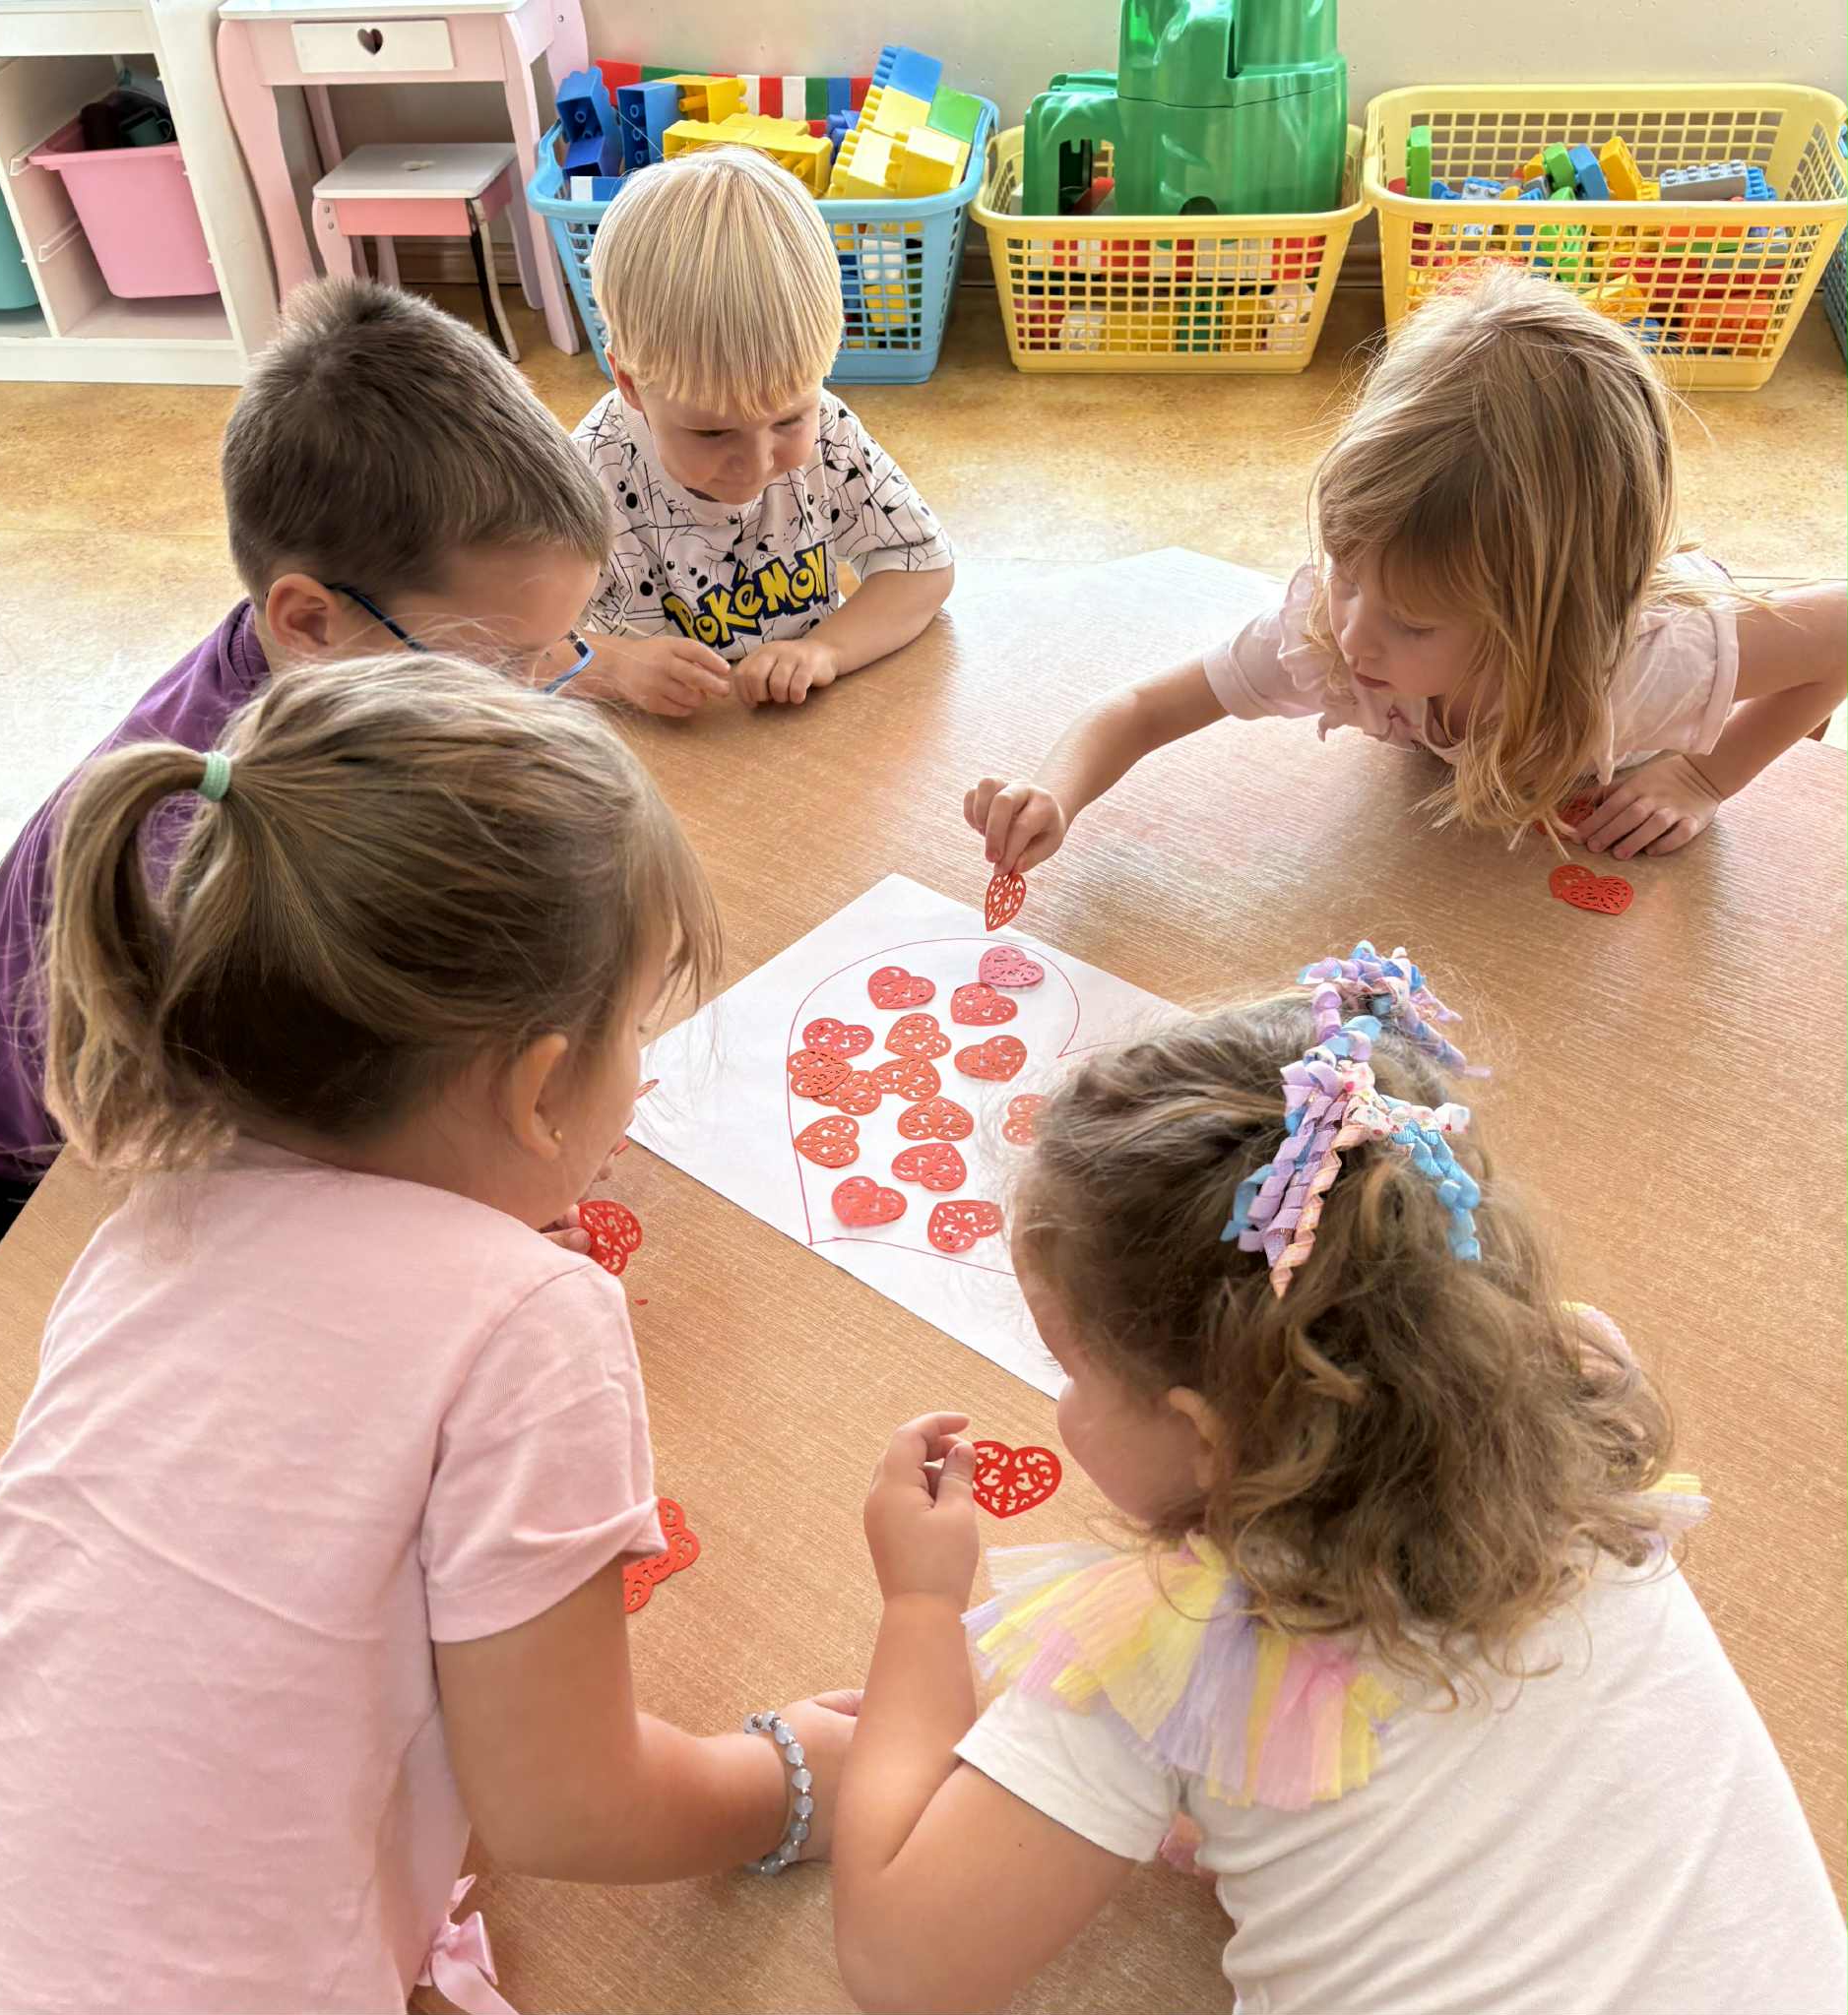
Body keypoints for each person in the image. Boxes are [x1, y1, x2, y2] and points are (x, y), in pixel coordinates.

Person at [0, 658, 858, 2015]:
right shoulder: (533, 1320)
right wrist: (792, 1780)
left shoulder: (154, 1212)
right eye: (639, 1029)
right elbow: (566, 1805)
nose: (644, 1072)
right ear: (540, 1086)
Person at [834, 945, 1847, 2014]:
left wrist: (920, 1607)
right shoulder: (1579, 1414)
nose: (1060, 1400)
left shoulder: (1174, 1638)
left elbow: (901, 1966)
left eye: (1070, 1369)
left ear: (1205, 1438)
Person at [963, 269, 1847, 876]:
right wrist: (1055, 794)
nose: (1354, 636)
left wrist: (1706, 777)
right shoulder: (1327, 636)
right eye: (1347, 573)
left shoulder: (1651, 661)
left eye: (1415, 622)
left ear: (1539, 625)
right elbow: (1141, 708)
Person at [573, 147, 955, 716]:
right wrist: (613, 667)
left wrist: (826, 649)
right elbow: (502, 644)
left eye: (787, 420)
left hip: (800, 739)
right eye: (711, 433)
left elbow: (923, 566)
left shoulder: (829, 431)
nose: (754, 465)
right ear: (629, 382)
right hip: (656, 748)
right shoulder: (586, 474)